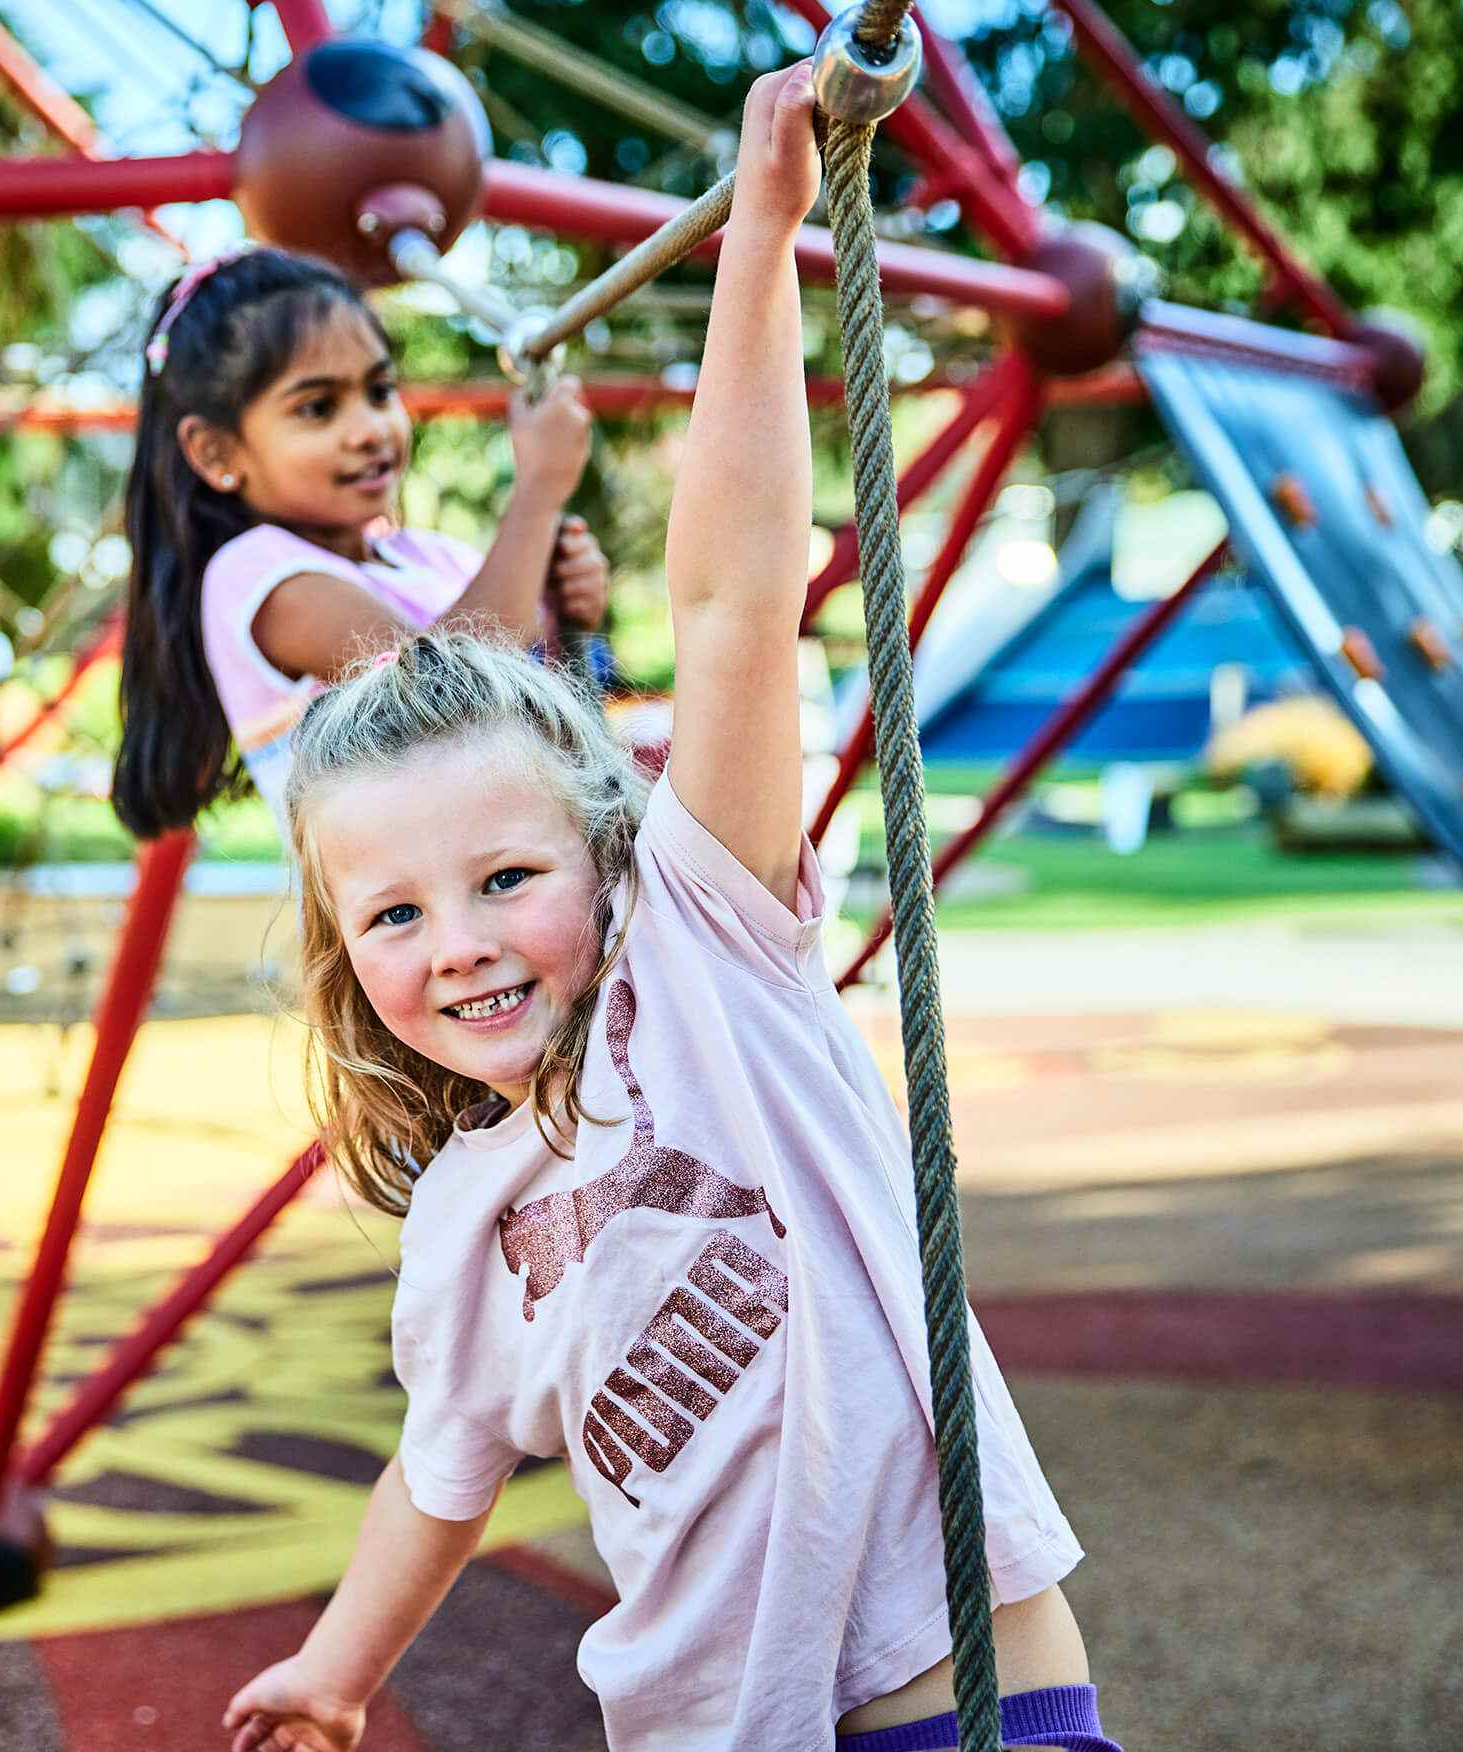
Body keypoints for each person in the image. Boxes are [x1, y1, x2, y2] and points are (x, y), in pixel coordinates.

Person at [223, 62, 1114, 1752]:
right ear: (342, 955)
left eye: (506, 879)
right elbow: (437, 1475)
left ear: (607, 855)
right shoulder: (463, 1220)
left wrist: (759, 235)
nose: (458, 941)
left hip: (944, 1695)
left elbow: (730, 602)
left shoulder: (705, 959)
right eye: (394, 916)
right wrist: (337, 1670)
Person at [110, 244, 609, 842]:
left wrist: (565, 618)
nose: (370, 430)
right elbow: (453, 698)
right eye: (318, 408)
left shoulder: (430, 557)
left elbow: (537, 707)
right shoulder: (255, 578)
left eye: (379, 391)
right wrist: (538, 492)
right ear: (217, 452)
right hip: (402, 898)